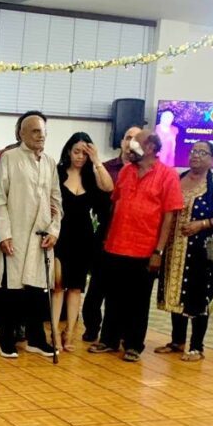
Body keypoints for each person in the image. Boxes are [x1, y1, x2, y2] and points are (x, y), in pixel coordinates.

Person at [89, 130, 183, 362]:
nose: (130, 149)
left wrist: (158, 251)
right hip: (115, 245)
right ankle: (109, 339)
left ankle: (133, 345)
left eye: (136, 145)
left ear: (150, 147)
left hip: (145, 249)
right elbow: (115, 204)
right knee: (113, 297)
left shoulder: (168, 175)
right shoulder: (125, 171)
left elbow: (169, 217)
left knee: (138, 301)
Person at [155, 141, 213, 362]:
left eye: (203, 153)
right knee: (176, 292)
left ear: (212, 159)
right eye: (194, 152)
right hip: (176, 248)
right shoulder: (178, 179)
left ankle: (196, 346)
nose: (196, 156)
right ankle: (177, 340)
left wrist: (202, 224)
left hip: (200, 252)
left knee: (197, 295)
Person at [0, 113, 62, 359]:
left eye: (43, 131)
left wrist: (54, 230)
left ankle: (36, 339)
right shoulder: (10, 158)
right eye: (34, 131)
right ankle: (6, 340)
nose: (40, 136)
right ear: (21, 134)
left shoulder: (50, 162)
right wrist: (4, 235)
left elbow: (57, 201)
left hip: (42, 238)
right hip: (16, 235)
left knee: (37, 290)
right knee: (12, 290)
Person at [51, 132, 113, 352]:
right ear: (69, 151)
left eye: (84, 154)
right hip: (60, 235)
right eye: (76, 152)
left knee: (76, 288)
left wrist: (96, 161)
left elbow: (109, 188)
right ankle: (55, 333)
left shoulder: (91, 178)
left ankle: (70, 332)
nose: (79, 157)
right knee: (57, 286)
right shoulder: (57, 173)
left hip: (84, 237)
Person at [84, 125, 141, 341]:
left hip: (131, 240)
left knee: (121, 292)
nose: (131, 142)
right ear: (122, 141)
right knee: (96, 287)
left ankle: (115, 333)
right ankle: (91, 328)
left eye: (136, 138)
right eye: (128, 137)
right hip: (105, 233)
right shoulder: (106, 167)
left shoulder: (143, 171)